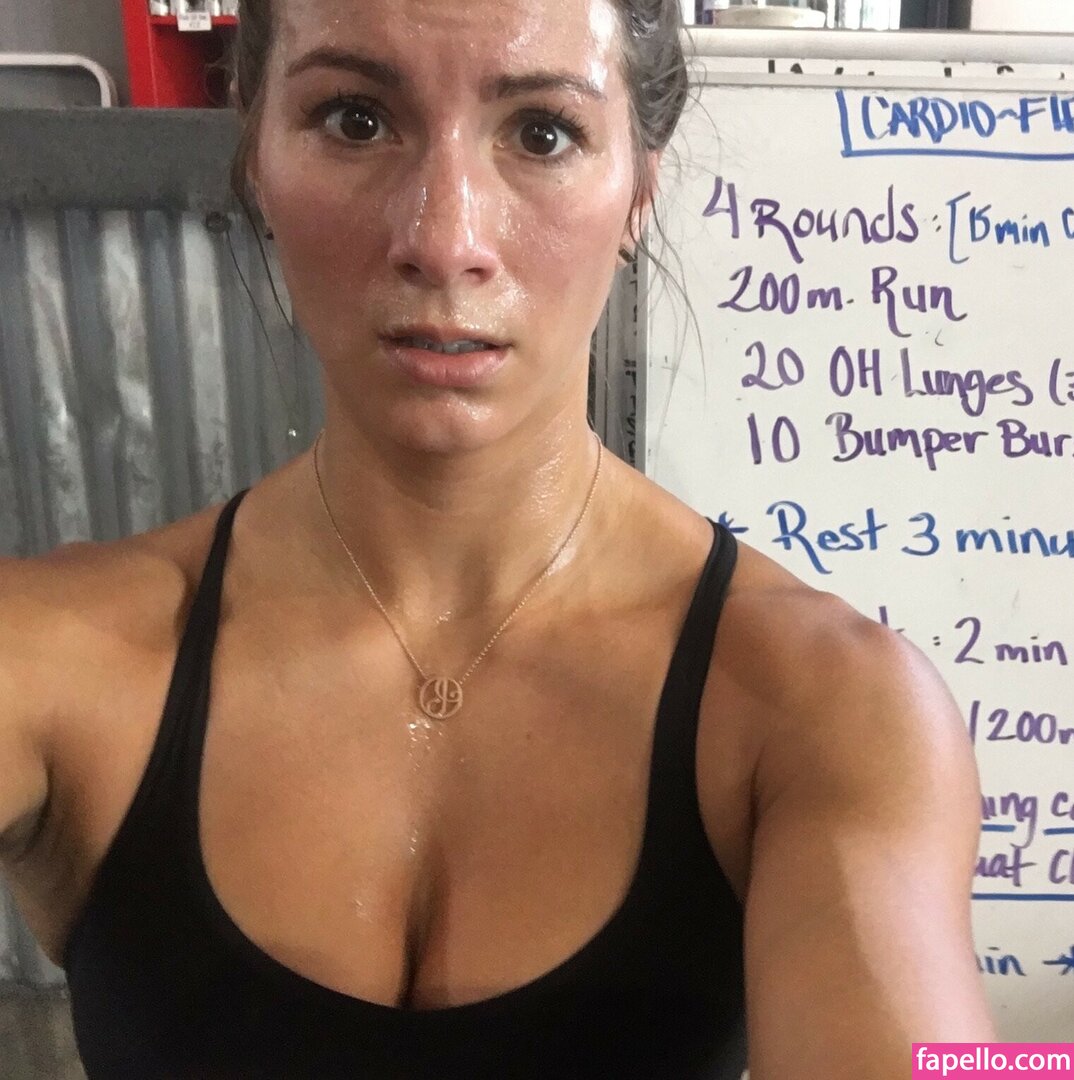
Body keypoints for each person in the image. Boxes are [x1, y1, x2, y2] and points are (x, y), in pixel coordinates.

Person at [0, 0, 995, 1076]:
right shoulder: (53, 659)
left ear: (639, 190)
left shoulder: (826, 709)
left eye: (542, 133)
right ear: (257, 158)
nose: (445, 240)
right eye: (354, 119)